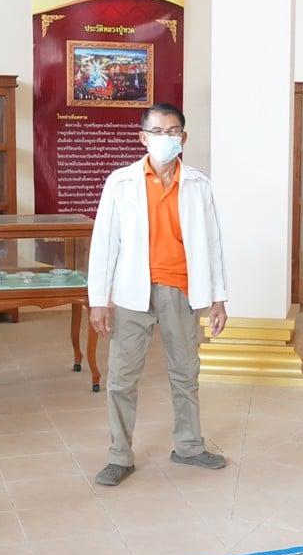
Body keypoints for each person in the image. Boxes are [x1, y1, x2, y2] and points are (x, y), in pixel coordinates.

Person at [88, 103, 228, 487]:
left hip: (180, 290)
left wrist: (218, 299)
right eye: (157, 131)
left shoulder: (198, 184)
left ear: (184, 137)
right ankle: (119, 456)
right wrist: (99, 300)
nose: (165, 138)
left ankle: (189, 446)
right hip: (131, 293)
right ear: (142, 137)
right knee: (122, 377)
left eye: (173, 131)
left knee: (185, 372)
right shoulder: (121, 182)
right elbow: (104, 244)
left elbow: (212, 244)